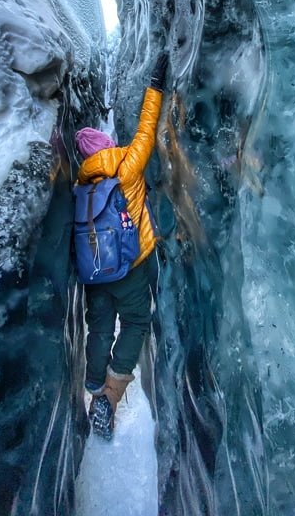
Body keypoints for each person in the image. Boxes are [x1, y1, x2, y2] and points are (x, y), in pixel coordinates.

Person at [74, 52, 168, 439]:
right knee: (135, 322)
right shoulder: (126, 166)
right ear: (107, 144)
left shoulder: (80, 186)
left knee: (98, 326)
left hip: (96, 272)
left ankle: (94, 384)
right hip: (132, 266)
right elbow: (147, 128)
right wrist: (156, 86)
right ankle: (110, 396)